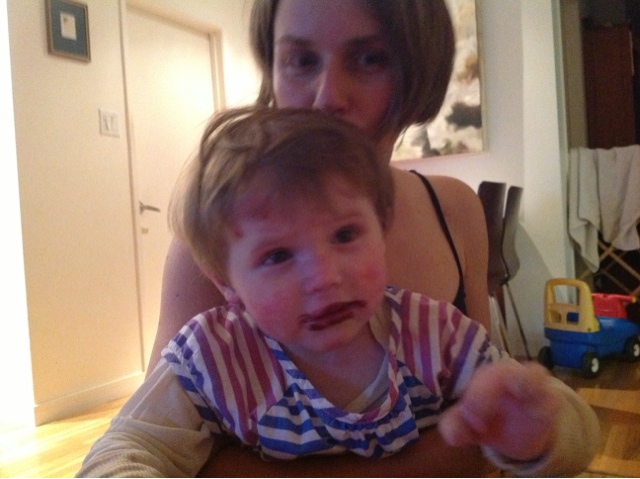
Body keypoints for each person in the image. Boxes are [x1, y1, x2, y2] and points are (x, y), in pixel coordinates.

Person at [78, 108, 599, 478]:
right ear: (227, 284)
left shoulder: (432, 333)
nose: (324, 276)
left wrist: (538, 432)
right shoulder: (213, 356)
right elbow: (126, 446)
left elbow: (574, 429)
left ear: (382, 229)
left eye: (345, 235)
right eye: (277, 256)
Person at [147, 0, 496, 475]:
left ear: (418, 66)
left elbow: (490, 422)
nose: (328, 97)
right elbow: (170, 454)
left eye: (369, 58)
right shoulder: (217, 245)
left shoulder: (455, 210)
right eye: (301, 60)